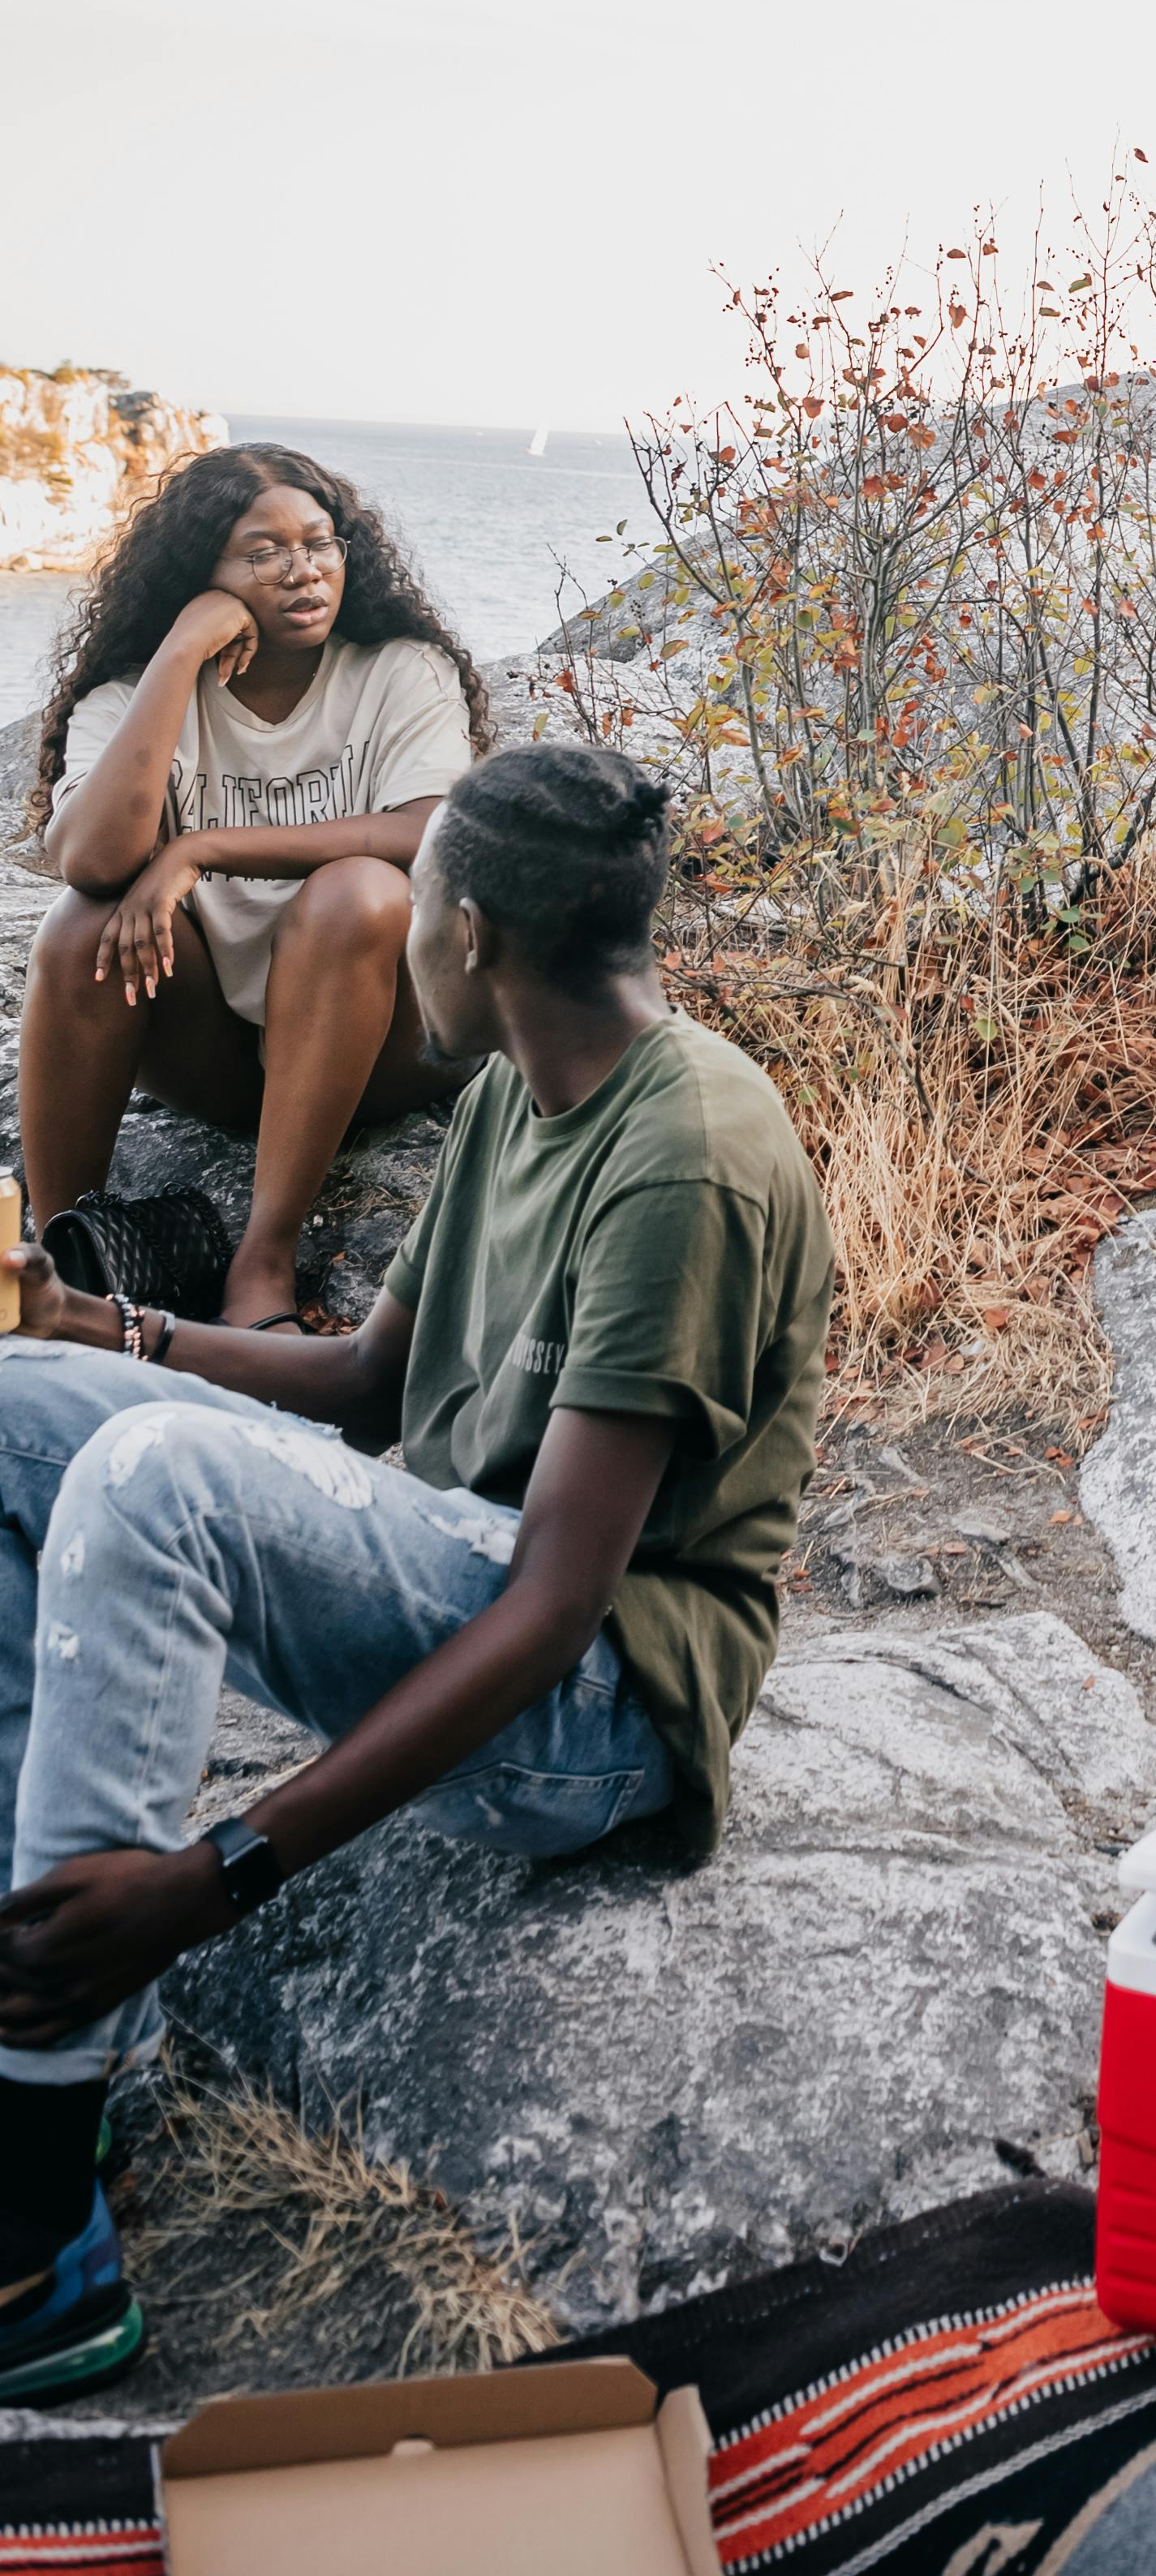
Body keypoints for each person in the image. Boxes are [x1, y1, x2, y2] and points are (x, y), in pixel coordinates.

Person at [0, 741, 832, 2398]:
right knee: (23, 1409)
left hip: (597, 1717)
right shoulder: (518, 1089)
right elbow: (371, 1390)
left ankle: (35, 2224)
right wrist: (99, 1324)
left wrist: (218, 1870)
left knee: (159, 1474)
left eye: (415, 903)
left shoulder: (686, 1151)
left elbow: (551, 1612)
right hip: (471, 1584)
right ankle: (51, 1989)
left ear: (467, 940)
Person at [19, 443, 489, 1329]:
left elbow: (434, 828)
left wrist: (201, 848)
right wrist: (179, 654)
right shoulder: (127, 698)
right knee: (81, 925)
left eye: (319, 542)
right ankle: (62, 1263)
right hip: (225, 1064)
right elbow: (89, 859)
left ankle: (262, 1265)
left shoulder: (396, 671)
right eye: (262, 551)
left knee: (357, 891)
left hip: (382, 1048)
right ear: (202, 574)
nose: (303, 569)